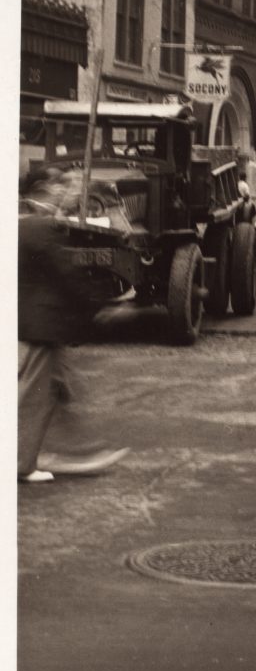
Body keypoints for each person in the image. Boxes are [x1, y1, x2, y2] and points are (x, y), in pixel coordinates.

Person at [18, 168, 129, 483]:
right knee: (37, 395)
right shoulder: (43, 228)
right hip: (41, 326)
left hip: (34, 324)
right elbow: (70, 277)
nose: (62, 193)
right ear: (42, 189)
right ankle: (23, 463)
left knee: (58, 390)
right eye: (57, 187)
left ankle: (74, 452)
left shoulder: (21, 224)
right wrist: (103, 305)